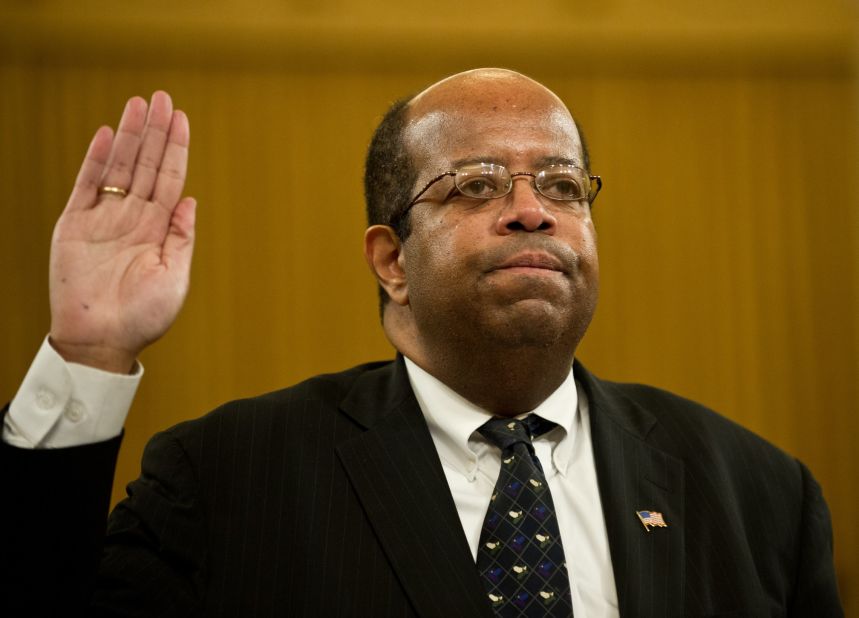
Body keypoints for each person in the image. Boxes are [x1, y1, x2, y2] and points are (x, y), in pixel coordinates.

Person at [1, 69, 843, 617]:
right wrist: (90, 353)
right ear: (391, 259)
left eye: (561, 185)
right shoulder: (228, 476)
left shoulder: (758, 494)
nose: (531, 209)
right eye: (476, 185)